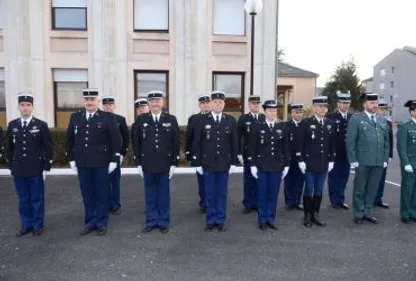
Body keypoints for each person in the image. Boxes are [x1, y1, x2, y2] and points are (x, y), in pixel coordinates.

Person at [66, 88, 121, 236]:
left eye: (92, 100)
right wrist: (71, 158)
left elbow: (116, 140)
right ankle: (90, 222)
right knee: (87, 193)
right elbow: (70, 139)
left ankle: (101, 222)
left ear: (97, 101)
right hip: (83, 163)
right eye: (87, 100)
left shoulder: (107, 117)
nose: (89, 102)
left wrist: (114, 160)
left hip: (101, 162)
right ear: (84, 101)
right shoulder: (75, 117)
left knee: (101, 193)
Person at [131, 90, 180, 234]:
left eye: (158, 101)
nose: (155, 104)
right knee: (150, 194)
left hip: (165, 163)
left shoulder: (171, 119)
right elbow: (136, 143)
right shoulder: (141, 120)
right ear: (149, 103)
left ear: (162, 102)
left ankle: (163, 221)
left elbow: (175, 143)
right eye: (152, 101)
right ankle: (151, 221)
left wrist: (174, 163)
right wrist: (138, 163)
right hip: (148, 163)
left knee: (163, 194)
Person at [6, 93, 53, 236]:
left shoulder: (40, 125)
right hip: (19, 168)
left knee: (36, 198)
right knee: (23, 199)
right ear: (18, 107)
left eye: (28, 105)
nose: (25, 108)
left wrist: (46, 167)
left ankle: (37, 225)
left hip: (35, 168)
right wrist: (11, 164)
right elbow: (9, 147)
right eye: (22, 105)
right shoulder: (13, 125)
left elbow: (47, 147)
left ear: (32, 107)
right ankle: (26, 225)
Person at [192, 90, 239, 232]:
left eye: (220, 102)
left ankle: (220, 220)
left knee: (222, 193)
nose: (218, 104)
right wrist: (197, 163)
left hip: (224, 163)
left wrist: (233, 161)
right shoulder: (201, 120)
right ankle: (210, 220)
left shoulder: (230, 120)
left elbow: (234, 143)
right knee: (209, 193)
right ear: (211, 103)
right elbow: (197, 143)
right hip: (208, 163)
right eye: (215, 102)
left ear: (224, 104)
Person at [347, 93, 389, 225]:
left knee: (372, 188)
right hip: (363, 160)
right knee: (360, 188)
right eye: (371, 103)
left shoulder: (382, 120)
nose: (375, 105)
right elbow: (350, 141)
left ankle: (368, 212)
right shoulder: (356, 119)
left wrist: (384, 159)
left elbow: (386, 142)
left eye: (376, 103)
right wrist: (353, 159)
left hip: (378, 161)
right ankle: (358, 213)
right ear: (364, 104)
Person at [247, 100, 290, 230]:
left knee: (273, 194)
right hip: (262, 166)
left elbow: (286, 148)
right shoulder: (257, 127)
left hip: (277, 166)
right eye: (270, 110)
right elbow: (252, 148)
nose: (273, 113)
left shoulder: (282, 127)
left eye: (275, 110)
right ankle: (261, 219)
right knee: (262, 194)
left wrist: (287, 164)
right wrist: (252, 165)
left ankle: (270, 219)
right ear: (265, 111)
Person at [296, 96, 335, 227]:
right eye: (320, 106)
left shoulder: (330, 123)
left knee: (319, 190)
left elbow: (332, 144)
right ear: (314, 108)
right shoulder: (306, 123)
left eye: (325, 107)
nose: (323, 109)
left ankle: (315, 214)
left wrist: (332, 160)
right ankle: (307, 215)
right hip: (309, 163)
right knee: (308, 190)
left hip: (323, 163)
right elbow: (299, 143)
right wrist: (300, 159)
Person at [237, 95, 265, 214]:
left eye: (258, 103)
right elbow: (238, 137)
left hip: (262, 154)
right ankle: (248, 203)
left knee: (260, 179)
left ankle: (259, 203)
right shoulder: (243, 118)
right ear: (249, 105)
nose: (256, 105)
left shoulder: (264, 117)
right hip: (248, 153)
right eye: (253, 103)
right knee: (249, 180)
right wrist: (238, 153)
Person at [102, 96, 129, 215]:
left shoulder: (120, 119)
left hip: (115, 155)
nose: (108, 106)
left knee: (115, 181)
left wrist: (122, 153)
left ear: (114, 106)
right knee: (103, 181)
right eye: (106, 105)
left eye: (110, 104)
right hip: (101, 155)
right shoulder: (98, 118)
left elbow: (126, 138)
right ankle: (106, 204)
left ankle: (116, 205)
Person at [185, 94, 211, 214]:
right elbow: (189, 137)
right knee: (202, 181)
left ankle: (212, 203)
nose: (206, 105)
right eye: (203, 103)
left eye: (207, 103)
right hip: (199, 154)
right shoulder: (194, 118)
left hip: (214, 155)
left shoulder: (216, 117)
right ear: (199, 105)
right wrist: (189, 153)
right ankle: (204, 203)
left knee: (214, 182)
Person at [327, 91, 352, 210]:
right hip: (335, 154)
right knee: (334, 178)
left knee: (344, 178)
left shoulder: (353, 117)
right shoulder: (331, 117)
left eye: (347, 102)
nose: (346, 105)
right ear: (338, 104)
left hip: (347, 154)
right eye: (343, 102)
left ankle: (341, 199)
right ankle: (334, 200)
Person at [396, 100, 416, 223]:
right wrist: (405, 163)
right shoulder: (405, 126)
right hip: (409, 163)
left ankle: (413, 212)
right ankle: (405, 213)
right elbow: (401, 147)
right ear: (412, 111)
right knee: (407, 189)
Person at [284, 103, 305, 211]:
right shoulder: (286, 125)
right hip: (290, 158)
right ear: (291, 113)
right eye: (297, 112)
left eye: (301, 112)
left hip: (302, 159)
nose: (299, 114)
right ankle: (289, 202)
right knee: (289, 180)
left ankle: (297, 201)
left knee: (299, 181)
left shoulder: (306, 125)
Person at [373, 99, 393, 209]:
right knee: (373, 178)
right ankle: (370, 199)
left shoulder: (388, 122)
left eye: (386, 109)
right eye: (382, 109)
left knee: (382, 178)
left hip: (384, 155)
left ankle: (378, 198)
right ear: (377, 109)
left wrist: (390, 155)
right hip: (374, 154)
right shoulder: (373, 121)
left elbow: (390, 140)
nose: (384, 111)